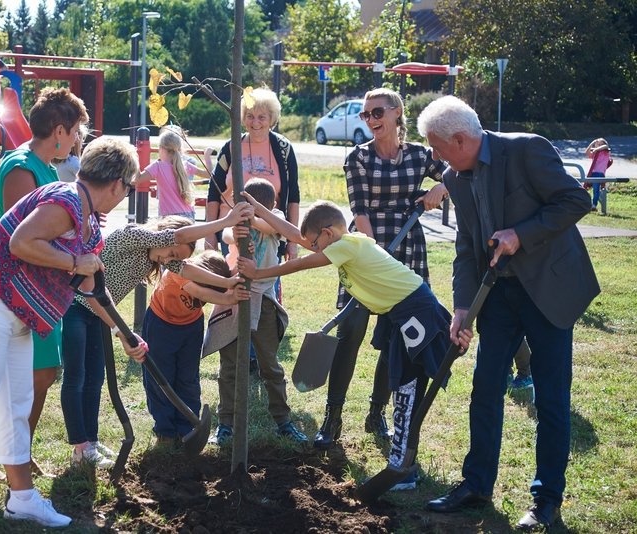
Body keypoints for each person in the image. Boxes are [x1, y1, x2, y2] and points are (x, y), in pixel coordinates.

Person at [0, 137, 148, 528]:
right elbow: (22, 241)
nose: (126, 194)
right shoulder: (66, 200)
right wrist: (76, 259)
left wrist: (124, 333)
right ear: (116, 183)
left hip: (17, 314)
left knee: (17, 406)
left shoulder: (90, 224)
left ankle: (22, 499)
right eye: (128, 187)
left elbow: (92, 288)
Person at [417, 96, 599, 531]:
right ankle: (477, 483)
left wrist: (521, 233)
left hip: (549, 289)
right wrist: (462, 308)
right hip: (498, 294)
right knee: (485, 387)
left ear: (460, 138)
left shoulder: (526, 149)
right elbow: (466, 247)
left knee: (551, 398)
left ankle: (546, 499)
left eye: (438, 147)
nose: (436, 157)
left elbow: (575, 201)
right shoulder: (454, 176)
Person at [236, 198, 471, 489]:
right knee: (403, 390)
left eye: (317, 243)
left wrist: (258, 273)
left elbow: (300, 264)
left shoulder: (345, 246)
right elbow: (298, 237)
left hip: (417, 313)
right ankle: (403, 465)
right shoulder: (345, 240)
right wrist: (258, 208)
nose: (316, 249)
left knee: (407, 394)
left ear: (329, 234)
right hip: (401, 313)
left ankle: (404, 469)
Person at [314, 88, 449, 451]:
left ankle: (377, 413)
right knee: (350, 332)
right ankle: (333, 417)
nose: (371, 120)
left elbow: (460, 170)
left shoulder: (421, 156)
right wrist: (373, 257)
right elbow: (359, 212)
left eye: (377, 113)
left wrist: (442, 185)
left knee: (396, 339)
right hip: (366, 251)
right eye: (365, 115)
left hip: (408, 251)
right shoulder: (357, 158)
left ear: (396, 113)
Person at [62, 208, 253, 463]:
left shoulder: (158, 258)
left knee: (95, 379)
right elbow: (179, 236)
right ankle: (79, 446)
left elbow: (188, 270)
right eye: (172, 251)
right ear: (166, 237)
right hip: (77, 305)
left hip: (98, 314)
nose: (169, 259)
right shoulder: (134, 236)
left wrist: (229, 285)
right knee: (77, 378)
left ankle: (91, 442)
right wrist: (226, 221)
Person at [0, 87, 89, 480]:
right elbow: (21, 236)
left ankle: (13, 450)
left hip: (44, 287)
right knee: (37, 375)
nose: (75, 142)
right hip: (21, 289)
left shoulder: (46, 167)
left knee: (43, 373)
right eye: (74, 133)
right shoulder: (21, 166)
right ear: (58, 130)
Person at [204, 178, 308, 446]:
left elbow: (269, 226)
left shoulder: (275, 220)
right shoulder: (237, 222)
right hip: (235, 299)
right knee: (229, 367)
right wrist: (238, 229)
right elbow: (226, 235)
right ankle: (225, 424)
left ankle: (284, 422)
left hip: (263, 302)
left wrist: (253, 219)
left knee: (270, 366)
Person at [142, 251, 249, 445]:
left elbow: (228, 276)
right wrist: (228, 298)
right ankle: (165, 431)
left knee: (188, 378)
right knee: (160, 378)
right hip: (161, 324)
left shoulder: (210, 278)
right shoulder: (180, 269)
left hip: (191, 327)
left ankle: (187, 427)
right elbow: (200, 292)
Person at [204, 87, 300, 260]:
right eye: (250, 116)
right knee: (237, 281)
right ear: (242, 118)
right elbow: (213, 191)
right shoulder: (231, 147)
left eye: (262, 117)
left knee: (267, 281)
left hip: (270, 229)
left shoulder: (284, 149)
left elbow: (293, 197)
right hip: (232, 229)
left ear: (272, 119)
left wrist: (293, 240)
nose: (256, 123)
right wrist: (210, 233)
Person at [135, 127, 212, 219]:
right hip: (188, 215)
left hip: (168, 218)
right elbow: (209, 174)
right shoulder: (186, 165)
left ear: (161, 149)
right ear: (179, 149)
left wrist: (135, 157)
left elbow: (137, 179)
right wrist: (207, 156)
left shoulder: (158, 166)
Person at [584, 137, 612, 211]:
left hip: (599, 173)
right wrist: (592, 143)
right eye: (598, 144)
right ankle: (589, 204)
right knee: (585, 187)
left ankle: (594, 205)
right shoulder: (595, 153)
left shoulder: (605, 152)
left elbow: (606, 146)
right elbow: (586, 152)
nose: (599, 145)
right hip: (592, 173)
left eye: (601, 144)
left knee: (596, 189)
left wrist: (597, 148)